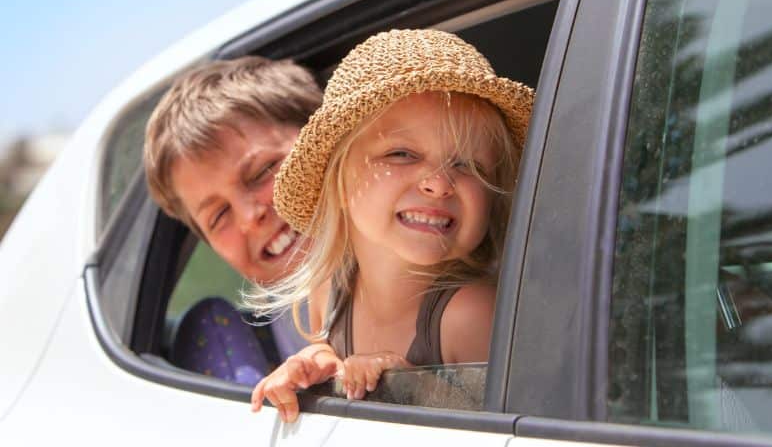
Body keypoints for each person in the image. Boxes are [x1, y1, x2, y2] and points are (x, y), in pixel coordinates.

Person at [248, 28, 534, 422]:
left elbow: (506, 425)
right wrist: (315, 362)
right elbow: (327, 350)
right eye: (402, 154)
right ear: (338, 181)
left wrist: (412, 386)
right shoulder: (329, 291)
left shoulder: (468, 315)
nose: (439, 183)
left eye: (467, 165)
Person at [143, 56, 323, 383]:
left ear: (331, 137)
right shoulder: (270, 357)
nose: (250, 217)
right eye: (220, 215)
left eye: (263, 171)